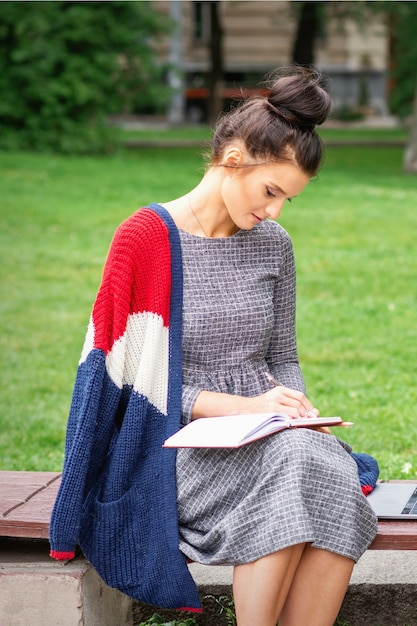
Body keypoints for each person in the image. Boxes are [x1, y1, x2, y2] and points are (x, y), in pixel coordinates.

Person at [49, 66, 377, 624]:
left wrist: (293, 409)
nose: (273, 212)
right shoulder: (147, 240)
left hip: (266, 435)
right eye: (270, 191)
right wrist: (246, 409)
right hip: (171, 445)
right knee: (295, 467)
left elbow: (282, 357)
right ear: (233, 160)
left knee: (324, 468)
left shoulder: (272, 245)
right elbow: (126, 386)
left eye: (286, 201)